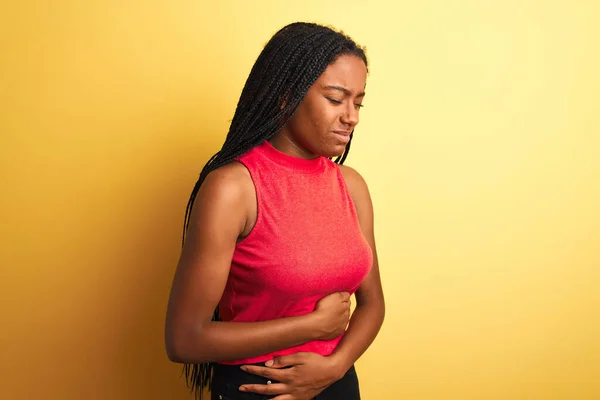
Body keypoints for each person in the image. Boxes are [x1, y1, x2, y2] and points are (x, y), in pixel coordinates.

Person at [165, 22, 385, 400]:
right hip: (257, 390)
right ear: (287, 96)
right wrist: (312, 326)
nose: (352, 117)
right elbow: (185, 339)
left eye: (358, 101)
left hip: (337, 384)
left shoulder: (351, 186)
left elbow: (373, 304)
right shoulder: (234, 189)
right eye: (336, 99)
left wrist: (333, 367)